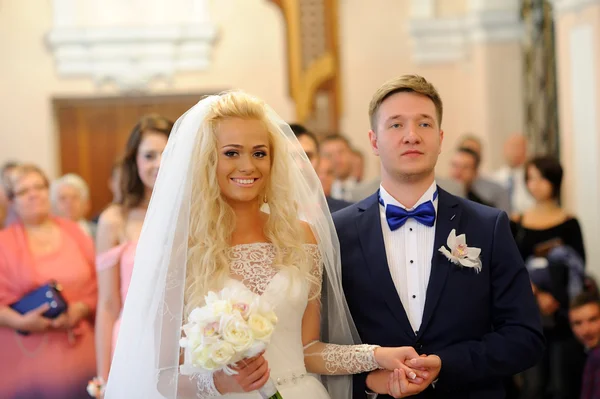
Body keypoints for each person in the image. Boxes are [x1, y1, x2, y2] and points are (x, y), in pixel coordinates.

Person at [104, 92, 439, 399]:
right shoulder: (183, 250)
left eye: (259, 153)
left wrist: (376, 355)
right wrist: (220, 382)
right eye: (231, 153)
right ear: (207, 161)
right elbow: (163, 376)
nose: (248, 165)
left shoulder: (300, 237)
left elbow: (308, 349)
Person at [333, 75, 544, 398]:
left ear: (441, 137)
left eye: (424, 124)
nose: (412, 136)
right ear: (374, 141)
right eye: (396, 125)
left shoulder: (488, 226)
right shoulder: (338, 232)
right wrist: (369, 381)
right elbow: (321, 344)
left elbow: (525, 337)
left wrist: (447, 363)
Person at [0, 164, 97, 399]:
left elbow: (99, 283)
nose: (33, 194)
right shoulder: (4, 243)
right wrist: (22, 321)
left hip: (80, 347)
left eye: (39, 187)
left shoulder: (75, 232)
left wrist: (81, 307)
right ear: (12, 201)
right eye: (23, 191)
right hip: (26, 353)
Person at [92, 114, 174, 391]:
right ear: (135, 162)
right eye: (149, 155)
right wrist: (104, 376)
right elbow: (107, 304)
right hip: (132, 342)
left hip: (183, 343)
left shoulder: (194, 213)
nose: (159, 163)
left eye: (167, 153)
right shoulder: (114, 220)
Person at [511, 155, 587, 399]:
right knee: (533, 385)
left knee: (564, 384)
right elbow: (510, 266)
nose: (535, 184)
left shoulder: (568, 221)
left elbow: (579, 265)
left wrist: (555, 298)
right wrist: (537, 293)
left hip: (562, 313)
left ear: (554, 180)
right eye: (530, 178)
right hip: (529, 314)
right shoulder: (518, 222)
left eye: (541, 178)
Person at [290, 123, 352, 212]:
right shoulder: (266, 214)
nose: (300, 166)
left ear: (319, 160)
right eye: (291, 157)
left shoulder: (347, 212)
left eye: (307, 156)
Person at [492, 134, 534, 215]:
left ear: (526, 151)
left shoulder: (531, 178)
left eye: (519, 147)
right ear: (504, 150)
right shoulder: (494, 178)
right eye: (511, 147)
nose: (514, 151)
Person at [570, 293, 600, 399]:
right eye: (578, 323)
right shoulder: (591, 354)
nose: (586, 330)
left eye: (593, 320)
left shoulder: (596, 357)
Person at [320, 134, 357, 202]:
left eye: (341, 152)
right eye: (329, 155)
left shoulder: (368, 191)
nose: (336, 159)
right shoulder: (319, 196)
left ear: (351, 154)